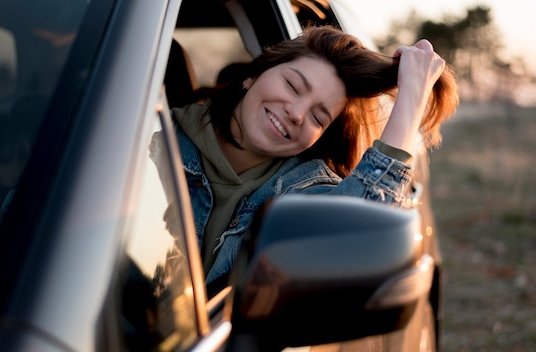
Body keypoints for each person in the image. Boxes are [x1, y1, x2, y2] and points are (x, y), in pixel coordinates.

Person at [155, 25, 459, 289]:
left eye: (318, 117)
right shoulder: (147, 143)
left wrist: (413, 96)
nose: (297, 113)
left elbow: (357, 230)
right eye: (292, 85)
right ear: (252, 75)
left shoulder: (301, 189)